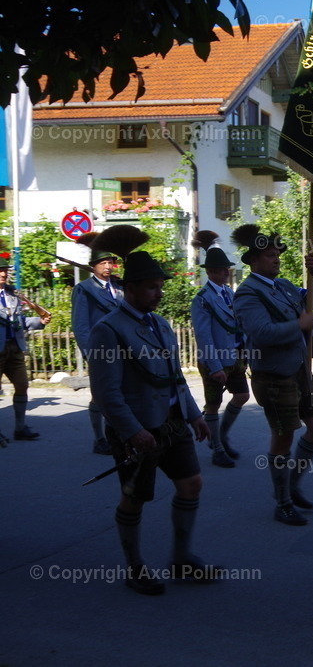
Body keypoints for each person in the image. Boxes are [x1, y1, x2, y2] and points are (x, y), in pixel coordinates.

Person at [87, 226, 214, 596]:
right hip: (138, 429)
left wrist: (193, 415)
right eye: (152, 288)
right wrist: (131, 431)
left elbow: (175, 377)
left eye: (160, 286)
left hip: (172, 424)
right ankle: (135, 566)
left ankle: (181, 557)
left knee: (192, 484)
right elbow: (106, 392)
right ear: (131, 289)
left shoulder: (160, 324)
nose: (159, 294)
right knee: (134, 496)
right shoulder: (108, 330)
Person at [231, 225, 313, 526]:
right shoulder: (247, 293)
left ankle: (293, 484)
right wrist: (299, 325)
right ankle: (283, 502)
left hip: (300, 369)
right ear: (253, 261)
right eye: (269, 255)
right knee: (283, 436)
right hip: (273, 374)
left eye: (276, 254)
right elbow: (261, 333)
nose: (276, 259)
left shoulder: (284, 285)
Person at [190, 233, 249, 468]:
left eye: (227, 268)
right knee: (213, 405)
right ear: (210, 272)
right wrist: (215, 366)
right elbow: (203, 336)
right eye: (222, 269)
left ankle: (221, 436)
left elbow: (238, 325)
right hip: (214, 360)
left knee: (242, 395)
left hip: (234, 357)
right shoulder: (202, 299)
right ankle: (217, 449)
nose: (226, 272)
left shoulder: (229, 293)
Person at [71, 242, 122, 454]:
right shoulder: (84, 289)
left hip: (122, 348)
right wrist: (90, 352)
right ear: (93, 266)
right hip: (100, 349)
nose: (108, 266)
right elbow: (80, 325)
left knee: (121, 392)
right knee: (100, 395)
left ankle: (117, 433)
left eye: (110, 262)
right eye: (103, 262)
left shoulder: (119, 287)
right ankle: (99, 438)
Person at [0, 255, 51, 444]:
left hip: (14, 347)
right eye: (0, 271)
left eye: (5, 270)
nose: (3, 273)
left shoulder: (13, 294)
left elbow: (19, 321)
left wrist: (39, 321)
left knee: (22, 385)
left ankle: (20, 428)